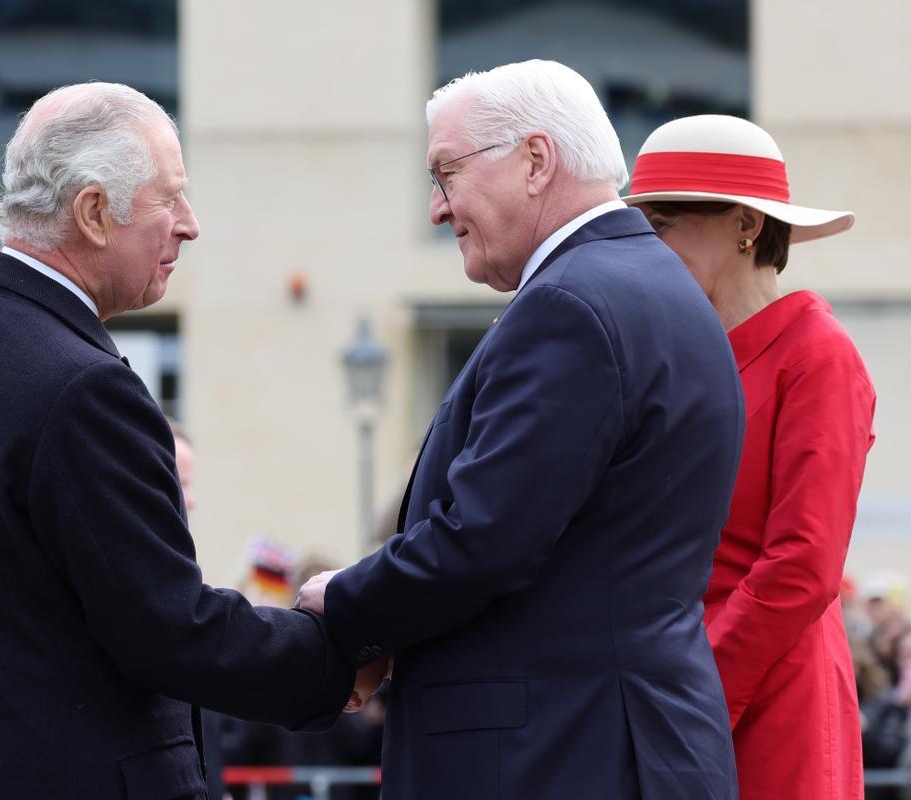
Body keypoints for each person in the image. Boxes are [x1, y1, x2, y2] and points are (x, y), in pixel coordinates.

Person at [0, 82, 357, 800]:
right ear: (93, 213)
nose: (190, 224)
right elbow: (169, 629)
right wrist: (338, 654)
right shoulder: (82, 385)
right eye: (170, 197)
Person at [296, 60, 744, 799]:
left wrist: (345, 603)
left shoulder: (571, 305)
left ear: (535, 161)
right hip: (631, 745)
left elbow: (484, 540)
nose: (439, 209)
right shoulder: (664, 290)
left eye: (446, 173)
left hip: (553, 755)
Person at [623, 114, 876, 800]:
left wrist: (698, 685)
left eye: (664, 224)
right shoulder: (676, 354)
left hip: (767, 688)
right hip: (670, 683)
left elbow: (804, 564)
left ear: (745, 224)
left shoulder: (816, 352)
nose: (646, 247)